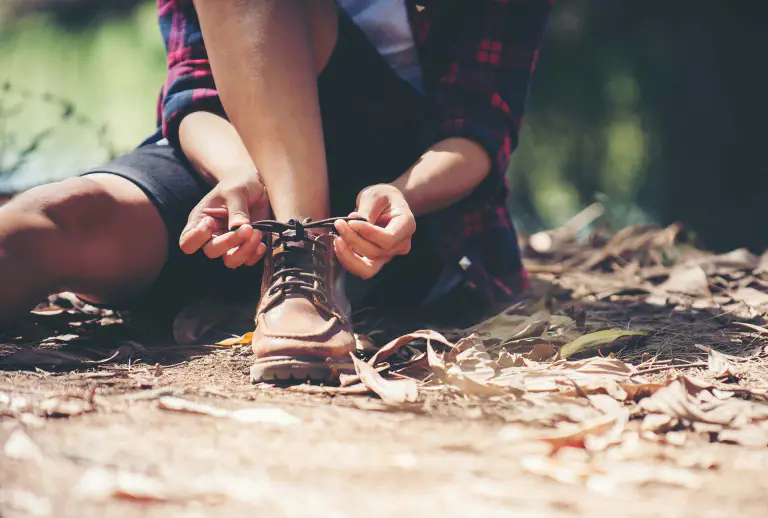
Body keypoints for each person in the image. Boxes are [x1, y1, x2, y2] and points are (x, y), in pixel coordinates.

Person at [0, 0, 554, 382]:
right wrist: (240, 176)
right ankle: (281, 262)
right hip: (237, 155)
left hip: (398, 203)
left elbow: (480, 127)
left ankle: (303, 268)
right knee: (49, 223)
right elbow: (193, 92)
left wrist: (401, 192)